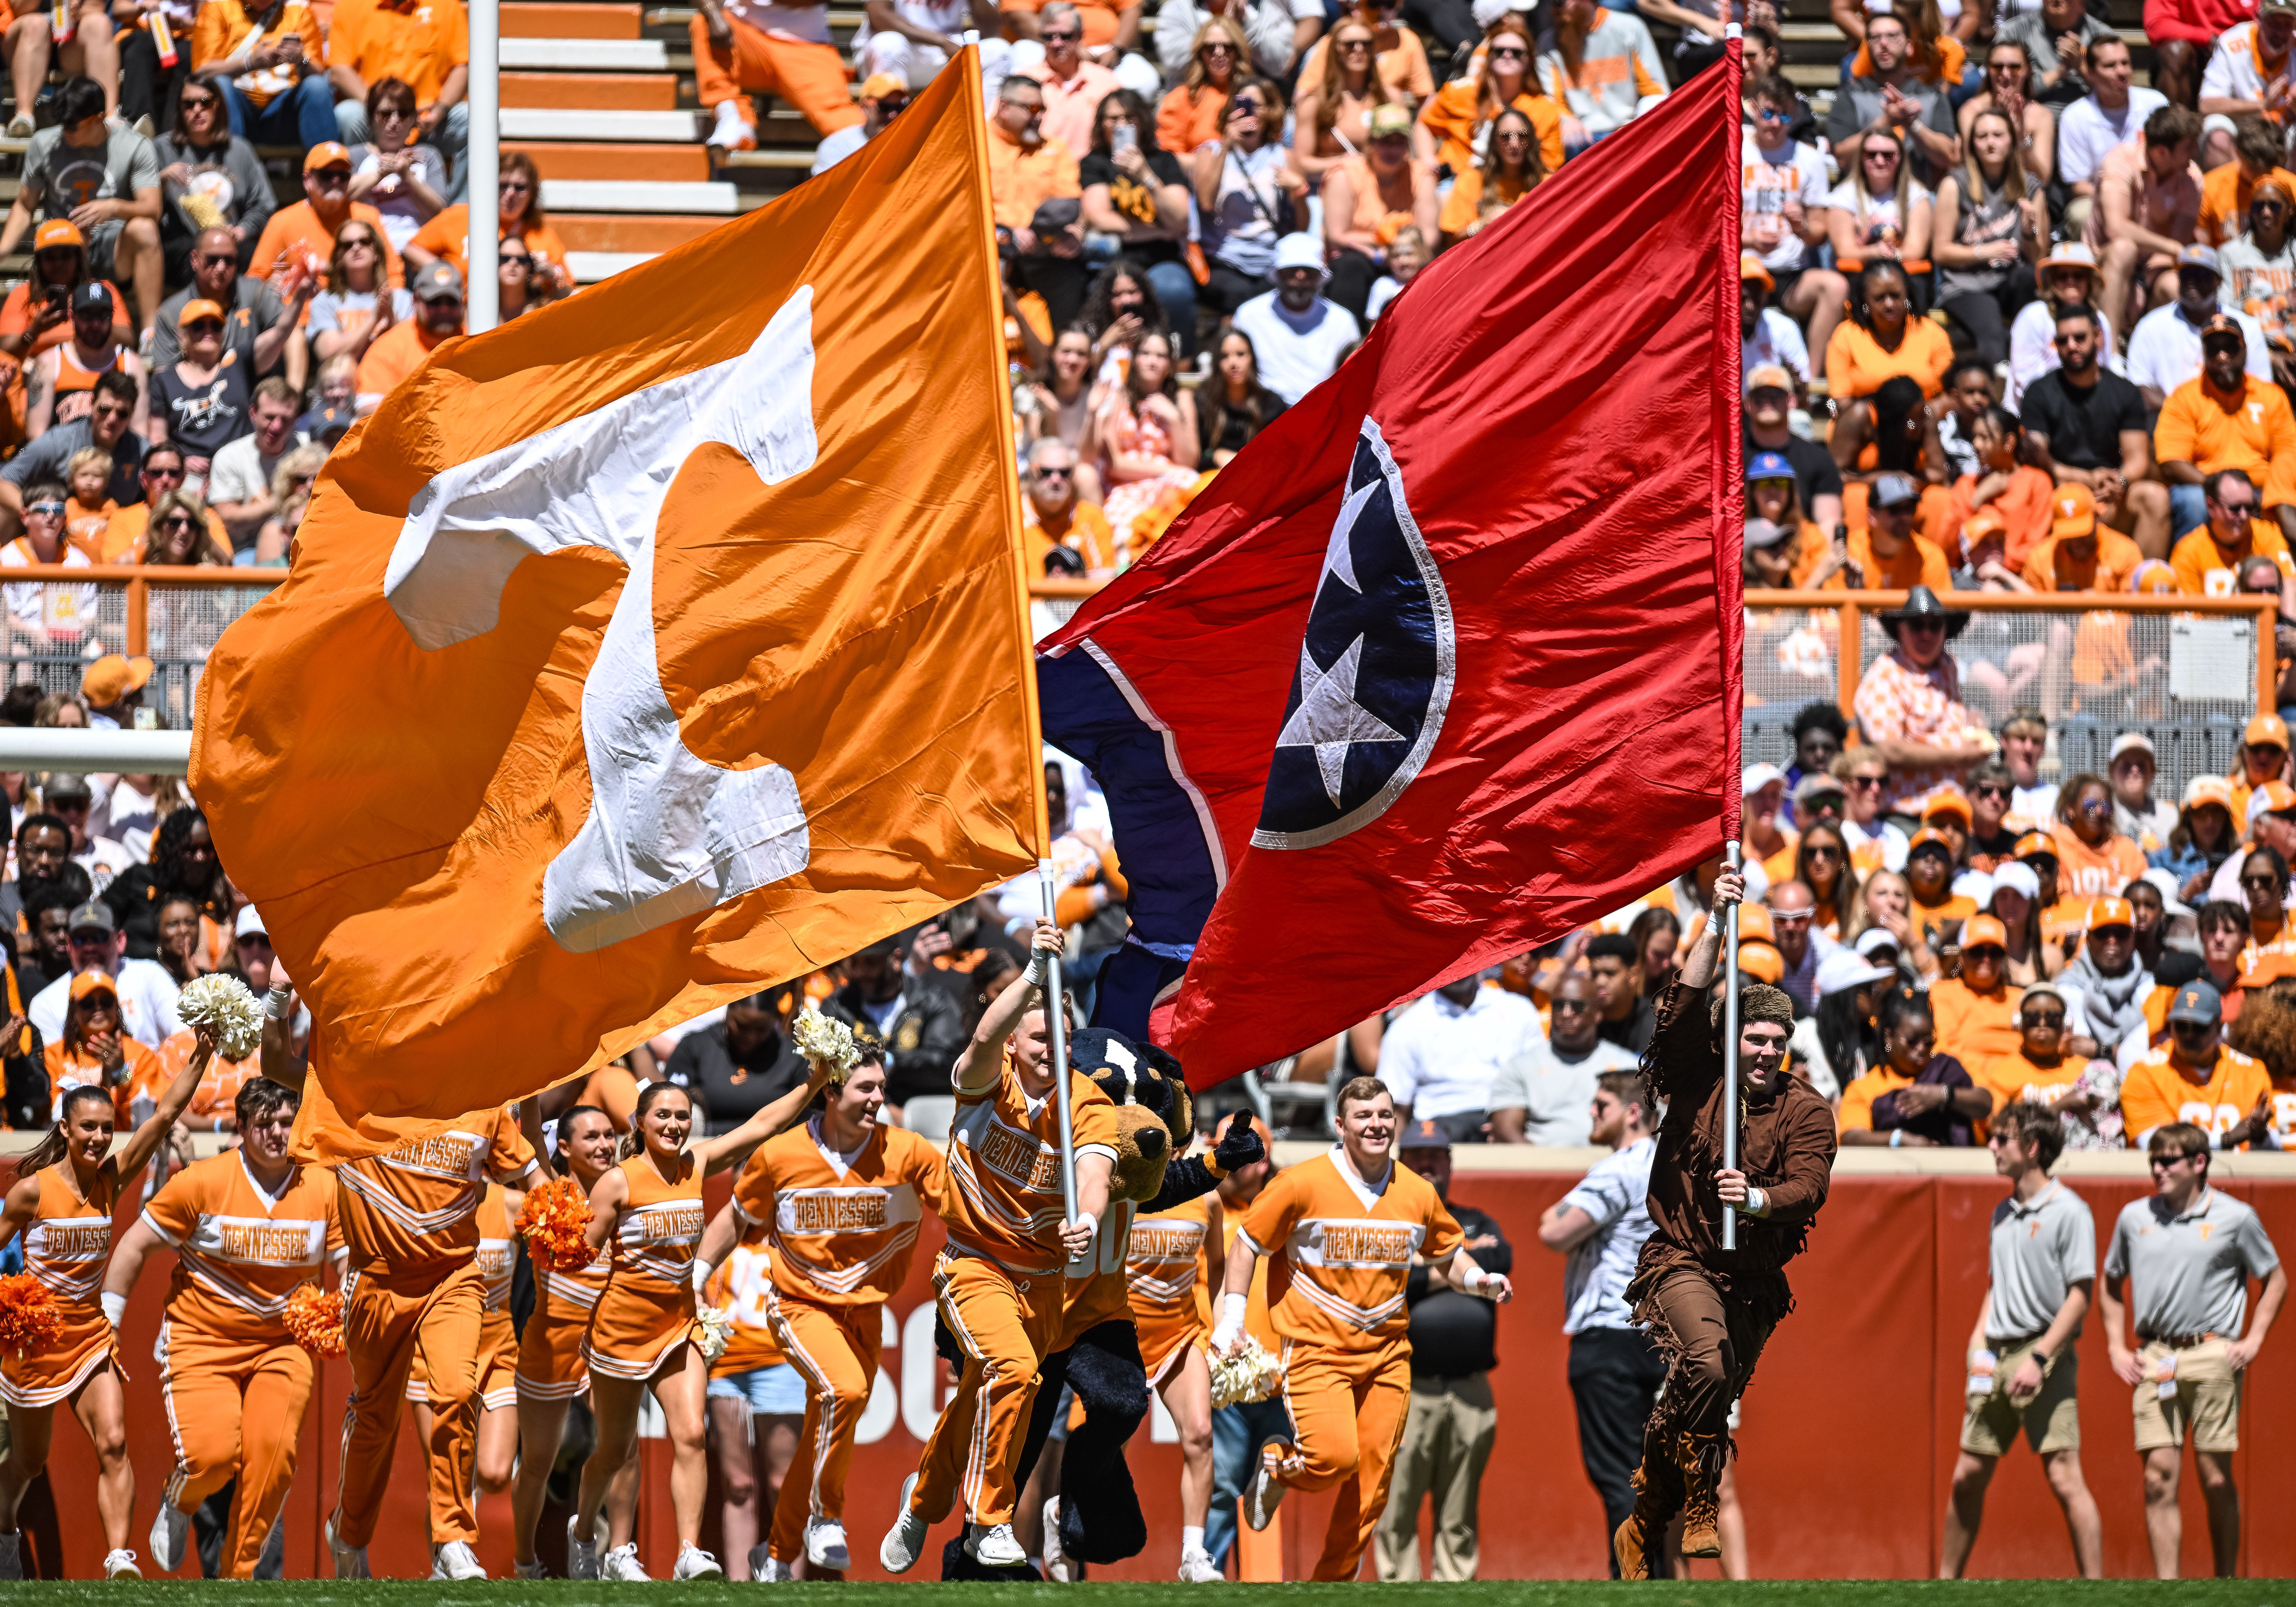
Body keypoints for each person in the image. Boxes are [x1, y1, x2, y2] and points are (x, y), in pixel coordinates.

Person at [1609, 868, 1834, 1577]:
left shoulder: (1806, 1109)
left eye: (1776, 1041)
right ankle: (1700, 1500)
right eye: (1753, 1038)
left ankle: (1646, 1518)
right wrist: (1714, 917)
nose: (1765, 1052)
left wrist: (1757, 1200)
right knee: (1705, 1362)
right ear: (1731, 1038)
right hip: (1683, 1256)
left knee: (1697, 1397)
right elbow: (1680, 1002)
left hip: (1753, 1280)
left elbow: (1809, 1187)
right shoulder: (1696, 1076)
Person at [876, 919, 1117, 1572]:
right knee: (1013, 1370)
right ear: (1015, 1041)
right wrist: (1033, 973)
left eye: (1061, 1038)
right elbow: (983, 1036)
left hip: (1044, 1280)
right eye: (1039, 1037)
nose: (1051, 1049)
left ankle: (922, 1500)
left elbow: (1095, 1174)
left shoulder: (1088, 1103)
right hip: (975, 1261)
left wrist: (1087, 1220)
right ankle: (987, 1519)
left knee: (980, 1398)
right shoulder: (989, 1078)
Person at [1215, 1077, 1508, 1581]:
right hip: (1316, 1348)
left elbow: (1447, 1253)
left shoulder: (1415, 1190)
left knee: (1373, 1481)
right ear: (1340, 1124)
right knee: (1330, 1458)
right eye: (1364, 1115)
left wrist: (1478, 1279)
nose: (1376, 1124)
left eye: (1384, 1114)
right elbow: (1246, 1243)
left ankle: (1330, 1586)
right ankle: (1277, 1466)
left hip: (1388, 1354)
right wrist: (1231, 1319)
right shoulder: (1300, 1182)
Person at [563, 1066, 829, 1582]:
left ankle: (689, 1551)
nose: (674, 1124)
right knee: (613, 1451)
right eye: (662, 1115)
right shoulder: (617, 1181)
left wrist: (814, 1084)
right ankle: (584, 1534)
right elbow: (580, 1255)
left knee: (690, 1433)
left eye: (683, 1116)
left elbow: (762, 1125)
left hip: (679, 1326)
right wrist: (557, 1237)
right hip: (620, 1333)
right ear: (639, 1123)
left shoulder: (697, 1163)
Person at [691, 1045, 943, 1579]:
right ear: (830, 1091)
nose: (878, 1098)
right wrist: (697, 1274)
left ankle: (776, 1554)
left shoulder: (909, 1151)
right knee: (844, 1391)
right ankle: (826, 1516)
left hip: (866, 1312)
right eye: (865, 1087)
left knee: (822, 1434)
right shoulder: (780, 1153)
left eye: (881, 1087)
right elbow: (734, 1218)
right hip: (799, 1304)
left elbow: (962, 1209)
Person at [99, 1074, 336, 1579]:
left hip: (283, 1344)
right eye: (265, 1122)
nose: (278, 1132)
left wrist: (351, 1310)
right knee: (212, 1458)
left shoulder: (322, 1185)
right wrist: (110, 1324)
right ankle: (180, 1498)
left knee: (274, 1459)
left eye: (287, 1121)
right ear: (241, 1126)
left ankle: (239, 1578)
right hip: (201, 1339)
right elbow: (135, 1244)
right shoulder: (203, 1180)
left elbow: (351, 1262)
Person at [0, 1023, 209, 1579]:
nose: (98, 1138)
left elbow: (164, 1115)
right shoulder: (31, 1190)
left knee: (114, 1441)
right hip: (36, 1341)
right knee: (29, 1461)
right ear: (65, 1128)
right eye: (88, 1127)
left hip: (90, 1336)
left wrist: (204, 1051)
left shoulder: (111, 1180)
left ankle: (119, 1558)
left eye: (106, 1128)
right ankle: (3, 1530)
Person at [2098, 1121, 2286, 1579]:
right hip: (2155, 1357)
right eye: (2153, 1161)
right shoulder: (2134, 1217)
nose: (2158, 1169)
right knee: (2157, 1477)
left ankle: (2225, 1585)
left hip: (2211, 1353)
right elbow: (2109, 1283)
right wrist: (2116, 1347)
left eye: (2168, 1160)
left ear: (2198, 1162)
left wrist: (2253, 1339)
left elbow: (2275, 1280)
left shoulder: (2235, 1216)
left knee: (2215, 1477)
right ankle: (2168, 1591)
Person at [1940, 1102, 2105, 1580]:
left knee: (2064, 1477)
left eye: (2002, 1138)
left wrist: (2038, 1357)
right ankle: (1943, 1588)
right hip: (1994, 1357)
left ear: (2032, 1147)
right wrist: (1977, 1348)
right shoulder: (2002, 1211)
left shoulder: (2070, 1211)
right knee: (1967, 1477)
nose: (1991, 1146)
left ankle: (2096, 1592)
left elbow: (2080, 1296)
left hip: (2043, 1358)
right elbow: (1997, 1287)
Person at [1539, 1069, 1662, 1578]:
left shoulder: (1619, 1168)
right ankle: (1658, 1579)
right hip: (1663, 1333)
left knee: (1619, 1474)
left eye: (1601, 1104)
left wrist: (1555, 1210)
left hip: (1611, 1333)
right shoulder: (1674, 1164)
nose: (1591, 1112)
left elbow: (1553, 1230)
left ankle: (1636, 1582)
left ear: (1633, 1112)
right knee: (1653, 1474)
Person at [507, 1106, 639, 1579]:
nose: (605, 1144)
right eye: (592, 1137)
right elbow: (529, 1140)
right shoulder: (548, 1191)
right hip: (551, 1342)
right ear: (564, 1147)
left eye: (609, 1135)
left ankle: (619, 1553)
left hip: (606, 1338)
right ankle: (525, 1561)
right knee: (537, 1462)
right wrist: (532, 1087)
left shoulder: (627, 1190)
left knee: (626, 1449)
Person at [1374, 1128, 1511, 1582]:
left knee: (1460, 1509)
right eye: (1418, 1157)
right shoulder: (1388, 1222)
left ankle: (1456, 1590)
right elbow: (1391, 1282)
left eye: (1436, 1156)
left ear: (1450, 1164)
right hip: (1407, 1386)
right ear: (1400, 1163)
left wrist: (1428, 1266)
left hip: (1471, 1388)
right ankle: (1396, 1590)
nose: (1428, 1166)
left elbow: (1501, 1261)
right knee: (1397, 1505)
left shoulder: (1473, 1219)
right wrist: (1459, 1265)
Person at [0, 79, 164, 348]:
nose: (65, 131)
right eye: (62, 123)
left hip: (111, 247)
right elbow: (25, 205)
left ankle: (150, 334)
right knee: (67, 238)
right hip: (61, 249)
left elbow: (152, 208)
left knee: (145, 229)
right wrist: (4, 250)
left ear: (99, 118)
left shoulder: (134, 146)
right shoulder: (45, 144)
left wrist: (113, 207)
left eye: (73, 125)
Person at [2019, 304, 2171, 559]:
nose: (2071, 346)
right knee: (2033, 489)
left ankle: (2144, 581)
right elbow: (2037, 459)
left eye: (2080, 338)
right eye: (2063, 341)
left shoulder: (2125, 392)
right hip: (2061, 491)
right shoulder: (2039, 393)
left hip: (2107, 495)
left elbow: (2138, 459)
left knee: (2155, 497)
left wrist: (2120, 481)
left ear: (2098, 337)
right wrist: (2088, 478)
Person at [2156, 312, 2296, 539]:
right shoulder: (2184, 398)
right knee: (2192, 501)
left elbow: (2287, 452)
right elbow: (2171, 462)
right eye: (2214, 350)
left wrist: (2277, 497)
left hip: (2264, 489)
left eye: (2230, 348)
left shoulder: (2272, 396)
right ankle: (2193, 560)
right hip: (2207, 490)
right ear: (2204, 354)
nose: (2222, 357)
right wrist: (2224, 489)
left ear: (2245, 350)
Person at [1853, 586, 1989, 811]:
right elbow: (1890, 750)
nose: (1926, 634)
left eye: (1935, 626)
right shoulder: (1884, 677)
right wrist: (1957, 755)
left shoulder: (1948, 665)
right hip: (1907, 812)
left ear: (1946, 630)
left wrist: (1973, 722)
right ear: (1900, 629)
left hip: (1956, 807)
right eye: (1917, 625)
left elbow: (1948, 723)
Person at [1079, 91, 1193, 348]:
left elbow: (1179, 217)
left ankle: (1180, 360)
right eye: (1113, 119)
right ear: (1102, 124)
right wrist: (1160, 231)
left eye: (1129, 118)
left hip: (1162, 258)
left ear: (1142, 121)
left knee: (1175, 291)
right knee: (1098, 294)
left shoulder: (1164, 161)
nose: (1121, 125)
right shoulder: (1095, 163)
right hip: (1115, 260)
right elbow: (1100, 219)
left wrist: (1145, 174)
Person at [1377, 970, 1544, 1142]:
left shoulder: (1519, 1010)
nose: (1457, 969)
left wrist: (1507, 1125)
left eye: (1463, 958)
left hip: (1513, 1120)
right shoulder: (1406, 1027)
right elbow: (1395, 1108)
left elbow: (1540, 1080)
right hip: (1441, 1129)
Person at [1933, 110, 2042, 367]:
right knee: (1991, 328)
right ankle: (1997, 381)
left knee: (2030, 278)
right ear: (1972, 144)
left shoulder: (2030, 187)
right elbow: (1940, 252)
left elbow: (2038, 257)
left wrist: (2031, 232)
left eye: (1998, 135)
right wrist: (1984, 252)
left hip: (2009, 280)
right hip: (1965, 285)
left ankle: (2032, 372)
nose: (1991, 143)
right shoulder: (1955, 185)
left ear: (2012, 140)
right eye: (1982, 137)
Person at [326, 0, 472, 189]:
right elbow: (338, 69)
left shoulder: (446, 5)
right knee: (349, 114)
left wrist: (440, 110)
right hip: (377, 119)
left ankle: (458, 204)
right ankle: (358, 195)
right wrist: (379, 108)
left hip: (429, 119)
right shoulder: (351, 5)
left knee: (473, 119)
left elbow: (463, 65)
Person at [2120, 978, 2280, 1149]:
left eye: (2200, 1027)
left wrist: (2260, 1136)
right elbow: (2158, 1147)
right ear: (2170, 1026)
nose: (2189, 1035)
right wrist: (2228, 1139)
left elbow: (2276, 1150)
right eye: (2181, 1026)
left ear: (2219, 1027)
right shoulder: (2145, 1073)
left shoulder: (2252, 1073)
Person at [821, 934, 967, 1118]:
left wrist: (889, 1061)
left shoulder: (933, 1001)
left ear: (896, 960)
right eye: (854, 964)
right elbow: (828, 1064)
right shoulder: (838, 1006)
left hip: (925, 1112)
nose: (859, 973)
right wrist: (886, 1106)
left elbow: (945, 1063)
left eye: (871, 963)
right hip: (863, 1112)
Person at [1318, 103, 1436, 325]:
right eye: (1385, 142)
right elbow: (1337, 235)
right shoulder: (1346, 175)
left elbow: (1429, 237)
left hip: (1407, 255)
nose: (1393, 150)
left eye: (1400, 142)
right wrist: (1381, 244)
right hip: (1360, 257)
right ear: (1371, 143)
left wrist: (1394, 249)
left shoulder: (1421, 176)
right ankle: (1348, 336)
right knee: (1350, 266)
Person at [1489, 970, 1640, 1144]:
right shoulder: (1520, 1067)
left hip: (1609, 1159)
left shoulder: (1627, 1067)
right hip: (1541, 1159)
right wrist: (1545, 1161)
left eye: (1578, 1007)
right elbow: (1506, 1131)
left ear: (1598, 1014)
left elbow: (1642, 1127)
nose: (1567, 1013)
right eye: (1559, 1005)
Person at [1825, 8, 1962, 186]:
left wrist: (1913, 125)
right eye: (1875, 37)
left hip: (1918, 195)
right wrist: (1887, 121)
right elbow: (1843, 158)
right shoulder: (1850, 95)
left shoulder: (1932, 96)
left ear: (1910, 46)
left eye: (1893, 36)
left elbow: (1949, 157)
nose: (1884, 43)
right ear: (1867, 47)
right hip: (1862, 195)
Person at [2128, 245, 2272, 413]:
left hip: (2233, 418)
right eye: (2185, 275)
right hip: (2171, 419)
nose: (2191, 282)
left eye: (2202, 275)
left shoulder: (2247, 327)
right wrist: (2182, 414)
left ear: (2218, 281)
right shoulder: (2151, 326)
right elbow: (2138, 386)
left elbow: (2262, 387)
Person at [404, 152, 571, 296]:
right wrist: (447, 272)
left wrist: (553, 274)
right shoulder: (462, 216)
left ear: (532, 193)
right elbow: (411, 248)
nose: (511, 194)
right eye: (503, 186)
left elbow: (569, 291)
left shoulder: (543, 236)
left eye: (520, 188)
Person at [1229, 232, 1359, 406]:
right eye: (1292, 270)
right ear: (1279, 274)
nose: (1300, 276)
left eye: (1308, 270)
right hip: (1265, 410)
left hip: (1322, 410)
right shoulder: (1249, 315)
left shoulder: (1343, 321)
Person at [193, 0, 333, 154]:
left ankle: (327, 164)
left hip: (286, 113)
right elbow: (201, 73)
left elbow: (319, 73)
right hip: (237, 109)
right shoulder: (217, 6)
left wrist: (301, 60)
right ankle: (230, 166)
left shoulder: (298, 9)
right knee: (220, 84)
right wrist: (249, 63)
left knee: (317, 86)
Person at [23, 284, 145, 445]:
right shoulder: (49, 363)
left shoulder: (132, 365)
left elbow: (140, 435)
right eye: (87, 316)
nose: (96, 324)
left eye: (103, 316)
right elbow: (36, 436)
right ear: (72, 315)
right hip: (64, 457)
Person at [148, 299, 252, 485]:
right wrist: (181, 462)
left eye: (216, 326)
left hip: (239, 468)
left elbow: (280, 333)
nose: (208, 332)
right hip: (190, 474)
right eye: (198, 326)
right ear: (182, 335)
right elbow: (158, 437)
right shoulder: (163, 380)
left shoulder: (239, 365)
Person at [1537, 0, 1666, 148]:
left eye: (1560, 3)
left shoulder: (1629, 28)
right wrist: (1567, 120)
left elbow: (1655, 91)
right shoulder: (1548, 43)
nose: (1554, 9)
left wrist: (1638, 127)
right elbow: (1551, 101)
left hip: (1628, 127)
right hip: (1582, 136)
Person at [1293, 16, 1404, 186]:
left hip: (1382, 189)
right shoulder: (1314, 103)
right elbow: (1302, 163)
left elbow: (1407, 152)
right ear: (1336, 49)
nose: (1359, 49)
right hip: (1333, 189)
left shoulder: (1391, 98)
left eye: (1366, 44)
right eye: (1350, 45)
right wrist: (1343, 163)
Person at [344, 78, 449, 257]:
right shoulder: (353, 156)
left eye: (403, 114)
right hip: (368, 252)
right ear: (370, 118)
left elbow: (440, 212)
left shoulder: (428, 155)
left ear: (413, 120)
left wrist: (407, 176)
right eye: (385, 114)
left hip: (418, 250)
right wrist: (382, 172)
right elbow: (339, 199)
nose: (394, 122)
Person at [2009, 246, 2119, 415]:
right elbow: (2026, 380)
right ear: (2053, 280)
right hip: (2035, 415)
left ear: (2090, 281)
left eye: (2078, 276)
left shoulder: (2100, 320)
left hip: (2088, 412)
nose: (2070, 281)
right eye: (2062, 276)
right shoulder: (2034, 316)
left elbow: (2105, 369)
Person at [1826, 261, 1954, 404]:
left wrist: (1919, 415)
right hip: (1867, 418)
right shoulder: (1846, 335)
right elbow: (1841, 400)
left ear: (1907, 296)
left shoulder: (1932, 333)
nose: (1889, 304)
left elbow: (1948, 396)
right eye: (1879, 298)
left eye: (1895, 296)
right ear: (1865, 301)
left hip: (1923, 417)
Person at [2060, 36, 2167, 195]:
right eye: (2110, 66)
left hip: (2154, 195)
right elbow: (2079, 186)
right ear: (2091, 73)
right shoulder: (2074, 117)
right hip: (2100, 197)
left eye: (2125, 63)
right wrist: (2118, 199)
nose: (2122, 72)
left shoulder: (2156, 104)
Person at [1020, 4, 1126, 162]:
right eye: (1049, 37)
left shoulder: (1107, 83)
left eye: (1066, 36)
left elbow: (1124, 136)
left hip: (1092, 172)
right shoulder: (1023, 82)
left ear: (1080, 36)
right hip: (1037, 170)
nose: (1056, 44)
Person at [355, 259, 464, 408]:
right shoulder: (390, 346)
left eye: (451, 302)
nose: (444, 309)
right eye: (434, 302)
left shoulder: (478, 340)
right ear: (415, 301)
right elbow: (367, 407)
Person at [2171, 467, 2292, 595]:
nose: (2244, 516)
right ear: (2211, 506)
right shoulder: (2189, 552)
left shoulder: (2267, 535)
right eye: (2235, 508)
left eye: (2250, 507)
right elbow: (2186, 607)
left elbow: (2290, 583)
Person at [853, 0, 1000, 91]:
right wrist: (941, 41)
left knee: (997, 51)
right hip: (902, 51)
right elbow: (880, 17)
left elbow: (992, 28)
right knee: (888, 44)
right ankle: (891, 125)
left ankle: (985, 129)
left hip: (947, 52)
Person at [1157, 16, 1249, 157]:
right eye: (1210, 48)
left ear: (1238, 52)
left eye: (1228, 47)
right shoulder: (1182, 98)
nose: (1219, 53)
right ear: (1201, 53)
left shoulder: (1252, 97)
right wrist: (1212, 163)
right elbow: (1170, 158)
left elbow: (1267, 144)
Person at [1196, 328, 1286, 467]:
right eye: (1224, 356)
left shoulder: (1272, 405)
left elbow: (1283, 457)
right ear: (1216, 363)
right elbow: (1195, 457)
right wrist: (1216, 456)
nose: (1233, 363)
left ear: (1252, 359)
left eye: (1241, 354)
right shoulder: (1204, 403)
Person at [810, 72, 911, 178]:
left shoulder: (914, 144)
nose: (893, 115)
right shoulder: (838, 147)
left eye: (900, 107)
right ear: (864, 107)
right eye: (884, 107)